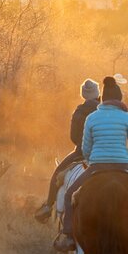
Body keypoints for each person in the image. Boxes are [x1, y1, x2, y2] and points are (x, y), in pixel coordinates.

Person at [53, 76, 128, 252]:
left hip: (97, 166)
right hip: (122, 166)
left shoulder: (92, 117)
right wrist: (125, 158)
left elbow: (85, 146)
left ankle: (68, 235)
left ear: (103, 98)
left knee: (69, 194)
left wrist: (94, 160)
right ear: (119, 98)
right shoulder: (126, 117)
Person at [33, 79, 101, 223]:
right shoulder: (104, 110)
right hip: (101, 153)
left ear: (83, 95)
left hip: (81, 152)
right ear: (97, 94)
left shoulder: (79, 111)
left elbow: (73, 137)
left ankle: (48, 206)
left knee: (57, 173)